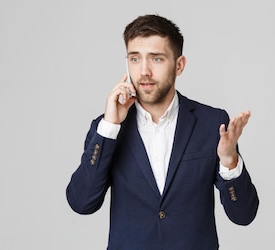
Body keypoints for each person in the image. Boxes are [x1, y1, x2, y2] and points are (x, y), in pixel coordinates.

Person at [66, 14, 259, 250]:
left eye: (156, 59)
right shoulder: (106, 128)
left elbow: (243, 215)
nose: (144, 71)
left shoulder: (212, 123)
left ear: (179, 65)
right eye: (135, 59)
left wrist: (229, 161)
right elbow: (81, 202)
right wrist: (109, 128)